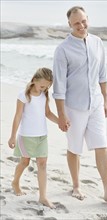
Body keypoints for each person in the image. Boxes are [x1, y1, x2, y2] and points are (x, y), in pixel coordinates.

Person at [52, 6, 107, 202]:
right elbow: (58, 87)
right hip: (73, 107)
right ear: (69, 24)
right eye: (76, 23)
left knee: (102, 144)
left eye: (84, 21)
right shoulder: (62, 50)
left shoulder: (98, 42)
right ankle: (76, 186)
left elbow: (102, 74)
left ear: (87, 19)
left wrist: (106, 100)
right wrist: (61, 114)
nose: (81, 25)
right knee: (75, 148)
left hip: (96, 104)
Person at [8, 67, 58, 209]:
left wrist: (60, 121)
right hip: (26, 136)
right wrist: (12, 136)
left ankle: (43, 197)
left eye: (47, 87)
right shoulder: (24, 95)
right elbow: (17, 116)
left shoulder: (44, 95)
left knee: (42, 164)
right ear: (34, 80)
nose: (44, 89)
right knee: (24, 162)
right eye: (42, 86)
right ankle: (15, 182)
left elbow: (47, 113)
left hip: (42, 136)